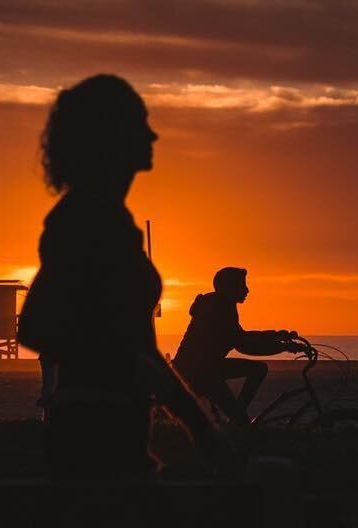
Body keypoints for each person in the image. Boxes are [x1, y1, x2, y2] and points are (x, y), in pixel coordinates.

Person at [17, 75, 235, 482]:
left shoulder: (113, 220)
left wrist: (201, 429)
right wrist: (121, 363)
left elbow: (144, 350)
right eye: (140, 123)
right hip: (89, 435)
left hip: (122, 433)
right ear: (110, 136)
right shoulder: (84, 217)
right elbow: (35, 326)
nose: (152, 134)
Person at [172, 267, 296, 426]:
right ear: (228, 288)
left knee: (258, 369)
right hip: (200, 372)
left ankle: (236, 419)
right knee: (256, 373)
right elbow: (244, 345)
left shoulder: (221, 304)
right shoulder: (218, 308)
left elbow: (240, 335)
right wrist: (281, 348)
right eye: (241, 286)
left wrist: (276, 336)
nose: (247, 290)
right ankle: (237, 420)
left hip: (205, 367)